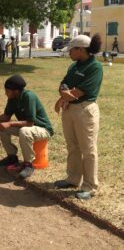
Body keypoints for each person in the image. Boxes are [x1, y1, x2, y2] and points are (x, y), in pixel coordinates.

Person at [54, 34, 103, 200]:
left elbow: (80, 92)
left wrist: (64, 95)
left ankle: (90, 186)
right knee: (72, 145)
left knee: (88, 149)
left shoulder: (95, 67)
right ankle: (73, 178)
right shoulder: (73, 67)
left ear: (80, 50)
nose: (69, 53)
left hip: (85, 110)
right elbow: (63, 84)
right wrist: (63, 93)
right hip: (69, 109)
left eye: (71, 50)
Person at [0, 75, 54, 179]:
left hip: (43, 129)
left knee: (25, 131)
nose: (5, 93)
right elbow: (6, 116)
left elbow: (30, 123)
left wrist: (10, 123)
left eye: (7, 90)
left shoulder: (29, 96)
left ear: (16, 91)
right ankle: (12, 157)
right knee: (1, 126)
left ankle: (28, 164)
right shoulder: (12, 98)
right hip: (28, 128)